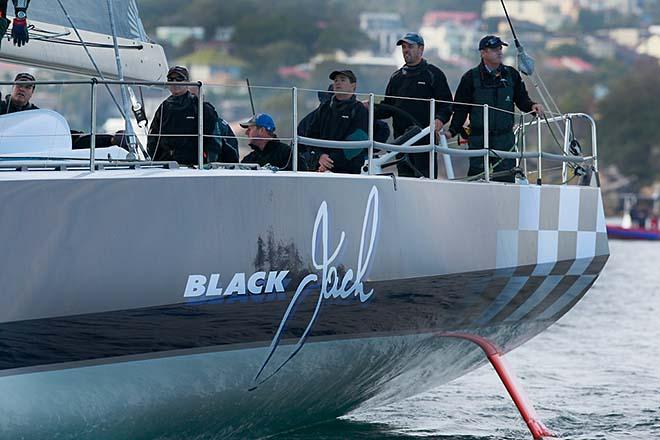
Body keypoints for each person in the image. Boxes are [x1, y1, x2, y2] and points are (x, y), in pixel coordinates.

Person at [447, 35, 543, 182]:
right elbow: (461, 109)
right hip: (479, 139)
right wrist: (452, 131)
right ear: (483, 53)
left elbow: (521, 99)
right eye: (494, 49)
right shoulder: (470, 78)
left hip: (505, 139)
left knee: (506, 178)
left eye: (500, 48)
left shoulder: (512, 75)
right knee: (476, 180)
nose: (499, 52)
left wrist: (532, 106)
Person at [374, 32, 453, 178]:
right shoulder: (396, 77)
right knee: (404, 181)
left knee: (426, 183)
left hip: (424, 140)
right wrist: (369, 108)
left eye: (410, 46)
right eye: (404, 47)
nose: (406, 50)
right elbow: (388, 106)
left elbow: (447, 104)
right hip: (401, 141)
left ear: (421, 49)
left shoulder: (433, 74)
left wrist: (440, 120)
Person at [147, 66, 238, 165]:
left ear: (188, 83)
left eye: (179, 79)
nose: (175, 82)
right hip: (167, 165)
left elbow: (214, 137)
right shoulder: (163, 108)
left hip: (194, 166)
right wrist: (157, 162)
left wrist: (209, 164)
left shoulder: (200, 107)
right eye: (171, 79)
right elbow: (153, 138)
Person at [302, 69, 369, 174]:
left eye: (342, 80)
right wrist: (320, 156)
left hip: (348, 171)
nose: (337, 83)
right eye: (336, 80)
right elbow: (311, 134)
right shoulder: (324, 108)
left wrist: (329, 163)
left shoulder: (359, 110)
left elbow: (356, 143)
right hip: (320, 168)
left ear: (353, 86)